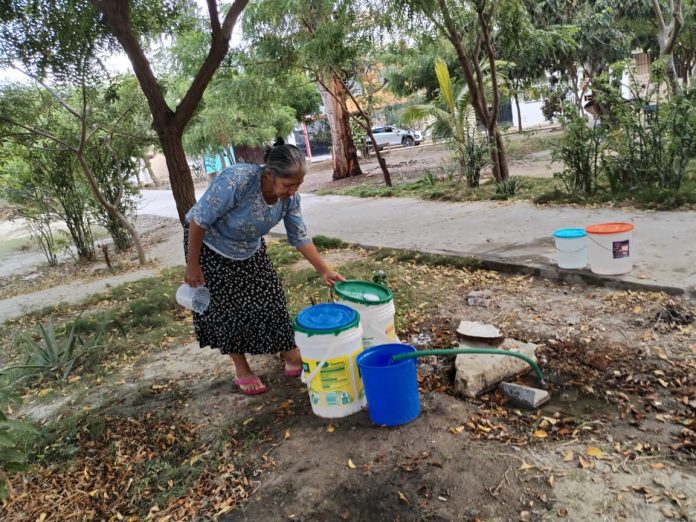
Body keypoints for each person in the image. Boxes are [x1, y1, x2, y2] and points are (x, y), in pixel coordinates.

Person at [183, 141, 344, 395]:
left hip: (248, 247)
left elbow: (299, 236)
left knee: (271, 299)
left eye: (297, 185)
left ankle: (291, 356)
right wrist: (192, 265)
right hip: (208, 246)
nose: (293, 191)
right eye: (288, 185)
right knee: (227, 308)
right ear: (269, 175)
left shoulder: (290, 200)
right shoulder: (238, 181)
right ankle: (242, 369)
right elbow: (198, 220)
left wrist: (324, 270)